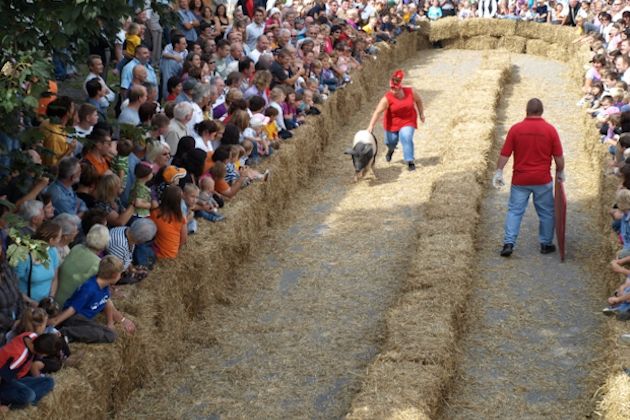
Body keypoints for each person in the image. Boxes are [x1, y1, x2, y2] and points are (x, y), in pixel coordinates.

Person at [492, 98, 565, 257]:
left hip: (520, 179)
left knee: (515, 211)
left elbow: (505, 154)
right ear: (541, 111)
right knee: (546, 212)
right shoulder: (550, 130)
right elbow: (558, 156)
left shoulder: (516, 129)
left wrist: (499, 171)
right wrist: (560, 171)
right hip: (542, 179)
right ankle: (546, 244)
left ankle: (509, 243)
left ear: (526, 110)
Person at [49, 255, 135, 343]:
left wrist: (110, 322)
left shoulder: (105, 286)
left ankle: (73, 333)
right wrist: (56, 321)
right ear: (114, 275)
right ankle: (64, 333)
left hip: (84, 320)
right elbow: (72, 309)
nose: (120, 276)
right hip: (74, 318)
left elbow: (106, 301)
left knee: (110, 334)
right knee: (106, 335)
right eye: (120, 274)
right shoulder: (89, 289)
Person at [367, 69, 425, 171]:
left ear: (400, 87)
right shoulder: (387, 98)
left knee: (406, 136)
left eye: (395, 89)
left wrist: (421, 114)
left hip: (408, 120)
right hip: (392, 123)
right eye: (391, 88)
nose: (393, 91)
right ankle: (390, 149)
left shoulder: (411, 92)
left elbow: (419, 101)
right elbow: (377, 112)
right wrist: (371, 126)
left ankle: (410, 161)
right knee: (391, 142)